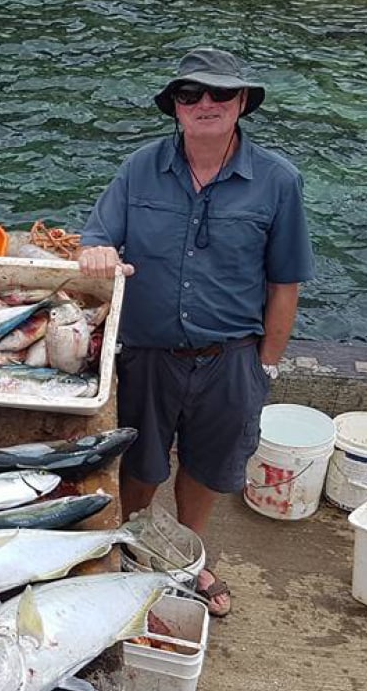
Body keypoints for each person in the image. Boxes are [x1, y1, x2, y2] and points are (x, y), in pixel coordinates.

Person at [77, 48, 314, 617]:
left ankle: (189, 554)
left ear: (241, 103)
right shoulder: (138, 167)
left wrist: (267, 365)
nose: (205, 104)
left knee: (209, 467)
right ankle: (133, 547)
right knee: (139, 462)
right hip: (147, 353)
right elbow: (96, 237)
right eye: (190, 95)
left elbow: (286, 281)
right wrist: (99, 252)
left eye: (219, 94)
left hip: (232, 357)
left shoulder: (279, 181)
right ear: (176, 108)